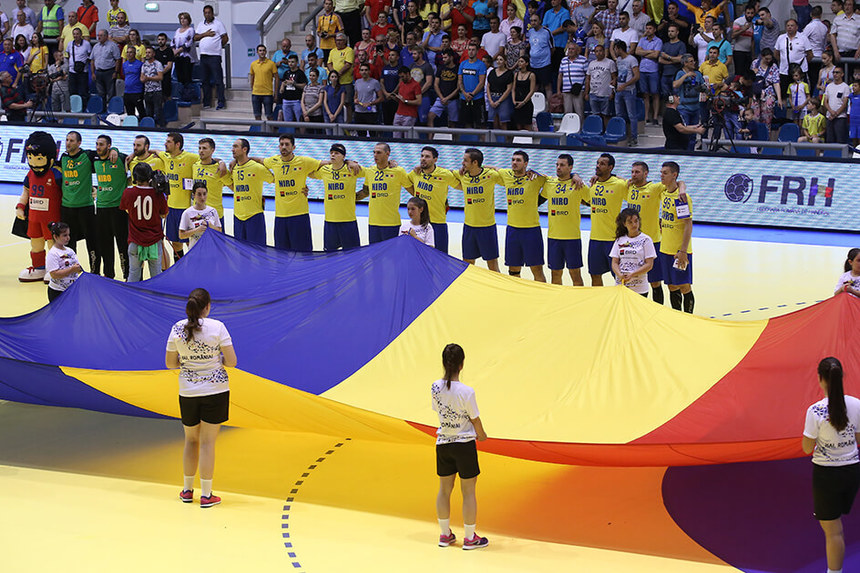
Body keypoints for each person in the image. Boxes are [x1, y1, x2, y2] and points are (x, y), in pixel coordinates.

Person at [166, 288, 237, 509]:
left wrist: (187, 364)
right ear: (207, 306)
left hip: (188, 392)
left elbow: (170, 363)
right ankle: (206, 495)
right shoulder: (217, 327)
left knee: (191, 441)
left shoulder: (177, 328)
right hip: (215, 391)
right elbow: (232, 361)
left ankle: (187, 491)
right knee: (208, 443)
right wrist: (217, 359)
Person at [801, 357, 860, 573]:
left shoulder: (814, 411)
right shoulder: (856, 404)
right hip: (852, 471)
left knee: (833, 532)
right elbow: (858, 437)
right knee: (838, 526)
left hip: (827, 476)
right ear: (841, 377)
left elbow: (807, 448)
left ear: (820, 379)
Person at [432, 343, 489, 551]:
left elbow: (439, 411)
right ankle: (470, 537)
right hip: (464, 445)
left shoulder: (435, 387)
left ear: (444, 363)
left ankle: (445, 535)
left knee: (444, 490)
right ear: (462, 364)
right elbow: (474, 419)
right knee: (468, 492)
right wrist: (482, 436)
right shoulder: (467, 391)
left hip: (443, 444)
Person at [495, 150, 546, 281]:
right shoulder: (506, 174)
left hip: (531, 230)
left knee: (536, 269)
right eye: (513, 160)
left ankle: (542, 298)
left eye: (518, 160)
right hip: (512, 230)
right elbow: (492, 168)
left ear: (526, 164)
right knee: (513, 270)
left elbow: (557, 180)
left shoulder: (535, 178)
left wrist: (575, 175)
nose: (514, 163)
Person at [540, 154, 587, 286]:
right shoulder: (550, 184)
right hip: (554, 237)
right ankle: (557, 301)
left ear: (570, 167)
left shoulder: (578, 184)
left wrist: (576, 176)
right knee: (555, 273)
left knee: (575, 274)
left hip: (572, 238)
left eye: (562, 165)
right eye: (557, 165)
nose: (558, 167)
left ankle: (578, 302)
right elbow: (538, 201)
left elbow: (591, 202)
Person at [455, 148, 502, 271]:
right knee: (467, 262)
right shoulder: (462, 175)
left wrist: (492, 166)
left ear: (475, 162)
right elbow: (442, 172)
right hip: (469, 226)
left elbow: (508, 176)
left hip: (487, 227)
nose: (462, 163)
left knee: (492, 264)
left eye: (465, 160)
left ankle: (497, 288)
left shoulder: (491, 175)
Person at [59, 131, 100, 274]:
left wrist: (114, 150)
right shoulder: (63, 157)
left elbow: (105, 153)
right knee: (69, 243)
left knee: (92, 241)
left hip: (85, 207)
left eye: (71, 140)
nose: (68, 143)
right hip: (67, 207)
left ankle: (95, 272)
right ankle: (72, 271)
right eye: (67, 140)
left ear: (79, 143)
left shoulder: (87, 156)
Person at [309, 143, 363, 252]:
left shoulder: (352, 169)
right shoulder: (325, 170)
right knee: (330, 255)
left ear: (343, 156)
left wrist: (390, 163)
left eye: (337, 153)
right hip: (330, 221)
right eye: (331, 153)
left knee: (352, 254)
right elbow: (309, 172)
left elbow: (373, 171)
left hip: (348, 220)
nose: (333, 155)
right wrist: (326, 162)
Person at [121, 162, 169, 281]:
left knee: (133, 274)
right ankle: (156, 299)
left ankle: (131, 299)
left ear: (134, 177)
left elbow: (126, 209)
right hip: (154, 240)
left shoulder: (128, 192)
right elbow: (164, 214)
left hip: (135, 240)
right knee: (156, 276)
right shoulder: (157, 194)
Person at [357, 142, 413, 243]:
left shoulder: (398, 171)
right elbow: (365, 192)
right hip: (373, 223)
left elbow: (413, 191)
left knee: (391, 256)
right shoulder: (370, 171)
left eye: (378, 152)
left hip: (391, 223)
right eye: (374, 152)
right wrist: (348, 198)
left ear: (387, 154)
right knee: (375, 256)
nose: (375, 155)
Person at [625, 161, 665, 303]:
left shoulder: (654, 188)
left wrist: (683, 189)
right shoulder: (629, 188)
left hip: (652, 242)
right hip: (632, 243)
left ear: (646, 173)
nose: (634, 175)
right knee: (634, 281)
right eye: (632, 172)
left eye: (637, 172)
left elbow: (678, 183)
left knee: (655, 282)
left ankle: (656, 311)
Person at [91, 134, 128, 280]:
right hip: (101, 208)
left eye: (101, 144)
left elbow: (131, 156)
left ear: (109, 146)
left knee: (122, 245)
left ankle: (127, 274)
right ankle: (108, 275)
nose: (98, 147)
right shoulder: (94, 160)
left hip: (118, 209)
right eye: (97, 144)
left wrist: (115, 150)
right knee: (105, 244)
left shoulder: (120, 158)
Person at [659, 161, 694, 313]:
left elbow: (688, 224)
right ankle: (676, 315)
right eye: (661, 173)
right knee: (671, 285)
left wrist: (683, 251)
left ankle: (688, 317)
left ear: (674, 175)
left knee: (684, 286)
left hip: (679, 251)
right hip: (665, 248)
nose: (661, 176)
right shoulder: (663, 192)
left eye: (665, 173)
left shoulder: (681, 199)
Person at [408, 146, 457, 253]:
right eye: (421, 156)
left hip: (437, 222)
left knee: (440, 257)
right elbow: (405, 182)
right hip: (419, 222)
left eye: (427, 156)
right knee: (419, 256)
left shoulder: (445, 174)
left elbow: (461, 186)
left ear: (435, 160)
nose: (423, 159)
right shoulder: (415, 173)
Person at [230, 138, 274, 246]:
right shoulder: (234, 168)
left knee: (258, 251)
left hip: (254, 216)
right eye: (232, 147)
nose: (232, 149)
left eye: (236, 146)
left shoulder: (257, 168)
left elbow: (276, 180)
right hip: (238, 216)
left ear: (244, 149)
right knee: (241, 251)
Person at [610, 208, 656, 296]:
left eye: (636, 221)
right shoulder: (619, 240)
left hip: (640, 288)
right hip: (621, 286)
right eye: (630, 222)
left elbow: (649, 265)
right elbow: (614, 262)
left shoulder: (646, 240)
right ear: (624, 224)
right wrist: (619, 274)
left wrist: (633, 274)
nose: (634, 224)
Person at [192, 138, 232, 230]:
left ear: (212, 150)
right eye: (200, 148)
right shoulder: (195, 166)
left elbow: (233, 187)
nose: (201, 151)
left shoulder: (220, 169)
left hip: (215, 215)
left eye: (204, 148)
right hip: (197, 215)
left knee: (217, 244)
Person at [195, 4, 229, 110]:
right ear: (203, 14)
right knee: (205, 80)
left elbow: (225, 38)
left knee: (218, 80)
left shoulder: (218, 24)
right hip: (204, 55)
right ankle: (207, 102)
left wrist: (217, 45)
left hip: (214, 56)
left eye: (209, 12)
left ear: (212, 13)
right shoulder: (201, 25)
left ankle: (221, 102)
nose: (207, 14)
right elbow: (195, 37)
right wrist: (205, 34)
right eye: (205, 13)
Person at [776, 19, 813, 98]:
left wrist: (803, 65)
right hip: (785, 71)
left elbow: (810, 54)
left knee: (801, 93)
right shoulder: (781, 38)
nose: (790, 27)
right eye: (788, 26)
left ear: (796, 27)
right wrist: (783, 61)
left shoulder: (803, 38)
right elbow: (776, 53)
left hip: (800, 70)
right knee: (784, 94)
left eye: (792, 25)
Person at [46, 222, 81, 302]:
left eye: (68, 235)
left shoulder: (70, 251)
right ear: (55, 237)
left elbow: (77, 269)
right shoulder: (53, 253)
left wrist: (78, 269)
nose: (68, 238)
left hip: (72, 290)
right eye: (64, 235)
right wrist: (72, 269)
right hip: (58, 292)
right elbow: (54, 274)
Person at [179, 182, 221, 250]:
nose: (202, 197)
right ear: (193, 195)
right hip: (195, 251)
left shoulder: (213, 211)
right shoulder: (187, 213)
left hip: (211, 250)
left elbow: (219, 231)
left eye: (204, 194)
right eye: (199, 194)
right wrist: (196, 230)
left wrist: (211, 226)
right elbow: (181, 235)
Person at [613, 40, 639, 145]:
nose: (614, 51)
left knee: (631, 115)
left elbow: (637, 76)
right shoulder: (618, 60)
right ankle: (621, 134)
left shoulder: (632, 60)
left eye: (615, 49)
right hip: (619, 90)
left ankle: (633, 137)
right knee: (619, 114)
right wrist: (615, 81)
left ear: (619, 49)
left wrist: (625, 85)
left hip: (629, 91)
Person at [585, 44, 617, 128]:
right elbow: (588, 79)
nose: (598, 53)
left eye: (600, 51)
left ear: (604, 51)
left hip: (605, 94)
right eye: (596, 51)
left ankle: (606, 131)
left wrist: (612, 92)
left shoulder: (610, 62)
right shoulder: (591, 63)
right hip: (593, 93)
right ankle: (597, 131)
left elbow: (614, 78)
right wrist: (586, 93)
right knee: (595, 115)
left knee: (606, 115)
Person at [636, 21, 662, 126]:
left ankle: (655, 117)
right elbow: (637, 52)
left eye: (650, 28)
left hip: (653, 70)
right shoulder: (642, 40)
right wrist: (650, 51)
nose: (648, 30)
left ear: (654, 30)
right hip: (642, 69)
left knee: (655, 94)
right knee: (645, 94)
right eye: (647, 28)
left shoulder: (658, 41)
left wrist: (644, 52)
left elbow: (656, 55)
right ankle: (646, 117)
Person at [751, 48, 782, 132]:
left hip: (768, 92)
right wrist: (753, 72)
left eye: (770, 59)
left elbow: (776, 82)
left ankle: (766, 136)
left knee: (767, 117)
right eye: (766, 59)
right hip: (756, 92)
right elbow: (749, 78)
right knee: (755, 116)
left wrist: (779, 98)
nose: (768, 61)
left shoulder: (773, 66)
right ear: (762, 56)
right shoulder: (755, 63)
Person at [458, 43, 487, 130]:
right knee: (467, 123)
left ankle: (482, 143)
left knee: (481, 124)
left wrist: (472, 94)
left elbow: (481, 82)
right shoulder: (463, 64)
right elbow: (460, 81)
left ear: (477, 51)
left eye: (473, 50)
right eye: (469, 50)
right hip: (464, 98)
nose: (471, 52)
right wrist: (464, 93)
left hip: (477, 98)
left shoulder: (481, 64)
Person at [327, 33, 355, 122]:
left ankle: (348, 124)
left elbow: (348, 64)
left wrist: (338, 74)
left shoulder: (349, 50)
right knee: (335, 103)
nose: (338, 42)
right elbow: (329, 63)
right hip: (335, 83)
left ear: (345, 41)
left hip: (346, 82)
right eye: (337, 40)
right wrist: (333, 73)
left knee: (347, 103)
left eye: (340, 40)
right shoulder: (332, 51)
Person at [428, 48, 460, 127]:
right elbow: (436, 84)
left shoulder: (457, 69)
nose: (443, 59)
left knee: (452, 123)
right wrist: (442, 97)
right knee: (430, 116)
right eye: (443, 58)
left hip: (453, 99)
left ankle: (453, 140)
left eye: (445, 57)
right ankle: (430, 139)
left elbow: (458, 87)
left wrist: (447, 98)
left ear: (451, 57)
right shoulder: (441, 67)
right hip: (440, 99)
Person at [557, 42, 587, 121]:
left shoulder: (583, 60)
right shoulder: (564, 60)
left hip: (578, 90)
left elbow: (588, 76)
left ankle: (580, 129)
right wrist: (558, 90)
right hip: (566, 90)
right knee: (567, 112)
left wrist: (586, 91)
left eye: (572, 49)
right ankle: (568, 129)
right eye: (569, 49)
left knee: (579, 112)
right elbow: (560, 75)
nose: (570, 51)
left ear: (577, 50)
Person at [526, 13, 553, 98]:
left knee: (547, 86)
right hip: (533, 64)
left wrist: (545, 58)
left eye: (535, 20)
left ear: (540, 21)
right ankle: (534, 108)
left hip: (544, 64)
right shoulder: (530, 32)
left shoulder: (546, 32)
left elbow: (552, 48)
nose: (533, 23)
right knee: (534, 87)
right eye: (531, 21)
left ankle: (550, 108)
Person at [90, 29, 120, 103]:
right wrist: (93, 73)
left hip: (109, 72)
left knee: (111, 92)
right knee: (100, 92)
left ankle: (111, 109)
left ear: (106, 36)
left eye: (101, 35)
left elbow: (117, 60)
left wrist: (115, 72)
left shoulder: (113, 46)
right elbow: (92, 60)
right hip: (98, 72)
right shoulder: (95, 46)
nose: (99, 37)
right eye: (98, 35)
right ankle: (102, 108)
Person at [486, 53, 513, 129]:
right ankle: (496, 140)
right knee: (494, 120)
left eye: (501, 59)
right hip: (492, 96)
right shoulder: (492, 72)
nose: (498, 61)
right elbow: (488, 86)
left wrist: (499, 101)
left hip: (503, 98)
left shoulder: (509, 74)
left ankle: (505, 139)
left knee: (503, 121)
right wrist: (490, 100)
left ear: (505, 61)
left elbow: (508, 89)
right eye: (497, 59)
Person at [353, 62, 382, 133]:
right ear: (359, 72)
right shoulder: (357, 82)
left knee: (372, 134)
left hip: (370, 112)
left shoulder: (375, 82)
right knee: (360, 134)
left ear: (369, 71)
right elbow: (356, 95)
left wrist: (370, 103)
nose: (364, 72)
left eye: (366, 70)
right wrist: (355, 100)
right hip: (358, 111)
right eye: (362, 70)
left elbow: (381, 98)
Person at [65, 27, 89, 109]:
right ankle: (74, 108)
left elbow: (89, 56)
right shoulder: (70, 44)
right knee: (72, 91)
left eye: (77, 34)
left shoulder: (86, 44)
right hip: (72, 71)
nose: (75, 36)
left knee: (83, 91)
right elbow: (68, 56)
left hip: (83, 72)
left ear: (81, 35)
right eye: (74, 34)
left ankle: (84, 108)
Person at [393, 65, 421, 136]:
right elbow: (401, 99)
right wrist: (396, 98)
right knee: (396, 136)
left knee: (407, 137)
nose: (401, 78)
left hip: (409, 115)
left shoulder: (416, 85)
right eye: (400, 77)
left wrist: (406, 101)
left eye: (403, 76)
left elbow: (419, 101)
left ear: (408, 74)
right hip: (399, 113)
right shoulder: (401, 83)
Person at [172, 12, 197, 93]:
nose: (182, 20)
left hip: (187, 57)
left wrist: (178, 51)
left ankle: (188, 94)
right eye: (181, 19)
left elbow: (188, 43)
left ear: (188, 20)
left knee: (186, 77)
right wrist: (174, 51)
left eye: (184, 18)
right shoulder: (177, 30)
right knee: (179, 77)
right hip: (178, 57)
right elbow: (173, 42)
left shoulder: (190, 30)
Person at [824, 67, 849, 143]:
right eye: (834, 72)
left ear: (842, 74)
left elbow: (845, 103)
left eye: (837, 72)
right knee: (829, 139)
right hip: (829, 116)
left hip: (840, 117)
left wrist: (835, 114)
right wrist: (831, 112)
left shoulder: (845, 87)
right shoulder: (829, 86)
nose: (835, 74)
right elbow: (825, 102)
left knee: (840, 139)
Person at [141, 46, 165, 126]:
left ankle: (160, 128)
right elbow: (141, 77)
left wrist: (148, 78)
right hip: (147, 91)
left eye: (149, 52)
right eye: (146, 52)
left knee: (157, 112)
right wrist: (143, 79)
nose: (147, 54)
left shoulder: (158, 64)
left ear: (153, 54)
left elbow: (160, 77)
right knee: (148, 112)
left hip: (156, 91)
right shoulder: (144, 65)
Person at [281, 54, 308, 123]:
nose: (290, 63)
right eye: (289, 62)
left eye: (292, 62)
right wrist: (282, 88)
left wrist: (294, 83)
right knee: (287, 122)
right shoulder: (286, 73)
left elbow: (304, 85)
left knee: (299, 120)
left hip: (296, 101)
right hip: (286, 100)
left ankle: (301, 134)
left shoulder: (300, 73)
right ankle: (288, 134)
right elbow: (283, 82)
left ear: (296, 63)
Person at [512, 55, 535, 130]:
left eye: (521, 61)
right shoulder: (516, 74)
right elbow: (513, 89)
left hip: (526, 103)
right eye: (519, 61)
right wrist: (514, 100)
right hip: (517, 102)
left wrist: (524, 102)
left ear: (526, 63)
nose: (519, 63)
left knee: (527, 126)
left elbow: (532, 90)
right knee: (518, 126)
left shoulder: (531, 75)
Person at [121, 44, 144, 117]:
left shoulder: (140, 64)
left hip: (137, 91)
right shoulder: (124, 65)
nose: (128, 54)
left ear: (134, 54)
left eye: (131, 52)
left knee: (141, 112)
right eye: (127, 52)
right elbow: (125, 75)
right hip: (127, 92)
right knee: (130, 114)